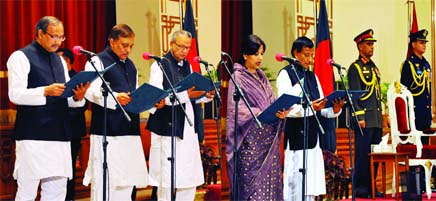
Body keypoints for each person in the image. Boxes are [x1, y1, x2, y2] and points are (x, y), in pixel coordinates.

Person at [6, 16, 89, 201]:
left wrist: (77, 96)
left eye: (61, 37)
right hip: (33, 134)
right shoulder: (20, 56)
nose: (58, 41)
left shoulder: (59, 61)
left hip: (60, 134)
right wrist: (45, 91)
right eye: (54, 36)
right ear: (40, 33)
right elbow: (15, 94)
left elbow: (66, 97)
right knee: (27, 190)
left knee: (57, 191)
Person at [146, 30, 213, 201]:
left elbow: (190, 97)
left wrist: (205, 95)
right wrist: (185, 96)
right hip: (167, 129)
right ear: (171, 44)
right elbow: (157, 96)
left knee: (187, 178)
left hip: (187, 128)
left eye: (187, 48)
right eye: (180, 46)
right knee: (167, 181)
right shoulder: (159, 64)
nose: (184, 51)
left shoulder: (188, 66)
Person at [83, 24, 148, 201]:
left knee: (127, 183)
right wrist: (115, 99)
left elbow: (133, 93)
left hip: (129, 129)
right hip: (107, 130)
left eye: (131, 46)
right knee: (106, 183)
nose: (128, 50)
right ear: (112, 41)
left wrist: (147, 101)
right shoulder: (97, 61)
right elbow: (89, 91)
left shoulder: (131, 65)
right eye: (124, 45)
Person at [276, 36, 344, 201]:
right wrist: (310, 108)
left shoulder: (313, 77)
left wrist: (335, 109)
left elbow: (321, 108)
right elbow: (287, 109)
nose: (310, 59)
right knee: (296, 185)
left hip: (313, 138)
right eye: (306, 55)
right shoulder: (286, 75)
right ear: (295, 53)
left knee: (310, 186)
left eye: (312, 55)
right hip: (296, 138)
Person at [225, 34, 290, 200]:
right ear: (245, 55)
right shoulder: (238, 77)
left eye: (262, 53)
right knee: (253, 190)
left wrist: (279, 112)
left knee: (270, 187)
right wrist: (258, 113)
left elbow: (271, 101)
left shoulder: (262, 77)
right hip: (251, 143)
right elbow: (235, 108)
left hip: (268, 140)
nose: (260, 57)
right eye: (255, 54)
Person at [347, 29, 383, 198]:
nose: (372, 47)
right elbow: (354, 96)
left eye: (372, 44)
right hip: (364, 120)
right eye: (368, 44)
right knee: (362, 156)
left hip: (375, 119)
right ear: (360, 46)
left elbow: (375, 94)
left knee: (374, 154)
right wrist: (360, 117)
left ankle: (372, 186)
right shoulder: (355, 68)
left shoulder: (373, 67)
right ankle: (361, 188)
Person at [56, 48, 88, 200]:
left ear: (67, 61)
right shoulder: (54, 76)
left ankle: (69, 198)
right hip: (54, 130)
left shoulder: (77, 78)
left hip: (72, 131)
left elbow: (82, 104)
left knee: (68, 169)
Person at [400, 29, 435, 141]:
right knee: (414, 147)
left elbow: (427, 89)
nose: (424, 45)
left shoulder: (426, 64)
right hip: (415, 111)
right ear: (413, 44)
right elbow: (404, 89)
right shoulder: (408, 64)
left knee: (425, 146)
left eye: (425, 43)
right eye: (421, 42)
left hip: (425, 112)